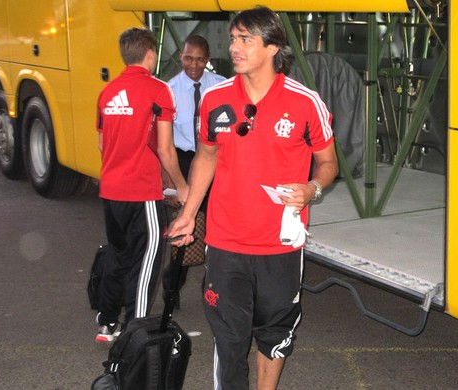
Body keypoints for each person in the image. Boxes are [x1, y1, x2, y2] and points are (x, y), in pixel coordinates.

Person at [168, 6, 339, 389]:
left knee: (274, 336)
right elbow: (206, 157)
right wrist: (189, 213)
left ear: (273, 46)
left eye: (246, 39)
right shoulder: (214, 99)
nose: (234, 47)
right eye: (233, 38)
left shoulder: (304, 102)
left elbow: (328, 162)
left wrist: (313, 188)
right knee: (228, 339)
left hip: (280, 246)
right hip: (225, 242)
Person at [95, 28, 189, 343]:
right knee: (147, 263)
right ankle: (134, 334)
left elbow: (101, 143)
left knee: (118, 256)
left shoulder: (108, 92)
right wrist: (182, 185)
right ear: (151, 54)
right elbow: (165, 149)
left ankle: (107, 323)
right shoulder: (158, 90)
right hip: (142, 194)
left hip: (111, 191)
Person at [162, 35, 226, 308]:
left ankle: (212, 291)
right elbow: (163, 144)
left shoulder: (221, 86)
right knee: (185, 231)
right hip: (185, 164)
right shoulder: (170, 90)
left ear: (208, 58)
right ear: (181, 57)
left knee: (216, 229)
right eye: (189, 58)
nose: (194, 65)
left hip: (216, 162)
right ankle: (172, 287)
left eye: (200, 59)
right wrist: (171, 183)